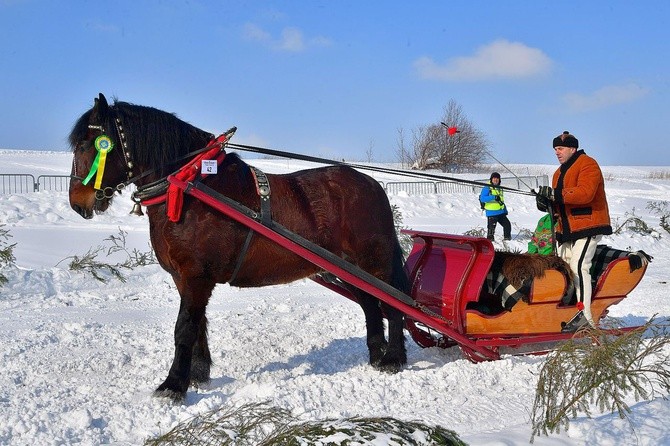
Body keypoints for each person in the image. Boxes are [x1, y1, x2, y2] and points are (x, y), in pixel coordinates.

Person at [536, 131, 612, 331]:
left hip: (588, 224)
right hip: (567, 229)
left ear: (572, 148)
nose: (557, 153)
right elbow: (559, 202)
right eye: (555, 149)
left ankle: (586, 317)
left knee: (579, 266)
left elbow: (585, 193)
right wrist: (545, 202)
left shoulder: (588, 164)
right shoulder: (558, 173)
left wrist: (555, 194)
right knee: (564, 268)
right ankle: (566, 310)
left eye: (560, 148)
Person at [480, 172, 512, 241]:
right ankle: (490, 242)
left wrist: (505, 210)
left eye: (497, 178)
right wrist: (493, 197)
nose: (495, 180)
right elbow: (482, 198)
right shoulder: (487, 187)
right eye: (494, 178)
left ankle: (507, 239)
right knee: (491, 230)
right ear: (491, 179)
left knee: (507, 225)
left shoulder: (499, 188)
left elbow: (501, 201)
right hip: (492, 213)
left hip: (500, 212)